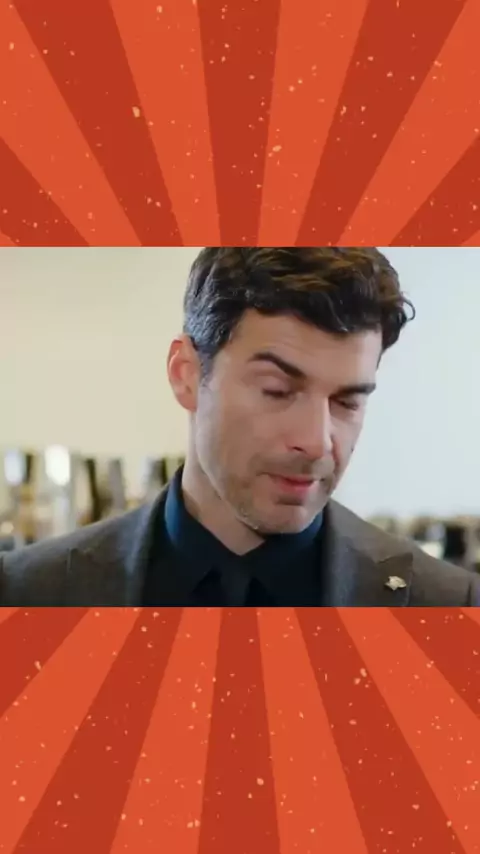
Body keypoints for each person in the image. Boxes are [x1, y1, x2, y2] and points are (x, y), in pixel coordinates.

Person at [1, 247, 478, 607]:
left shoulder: (448, 604)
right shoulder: (29, 592)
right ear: (186, 375)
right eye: (277, 390)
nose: (316, 442)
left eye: (347, 402)